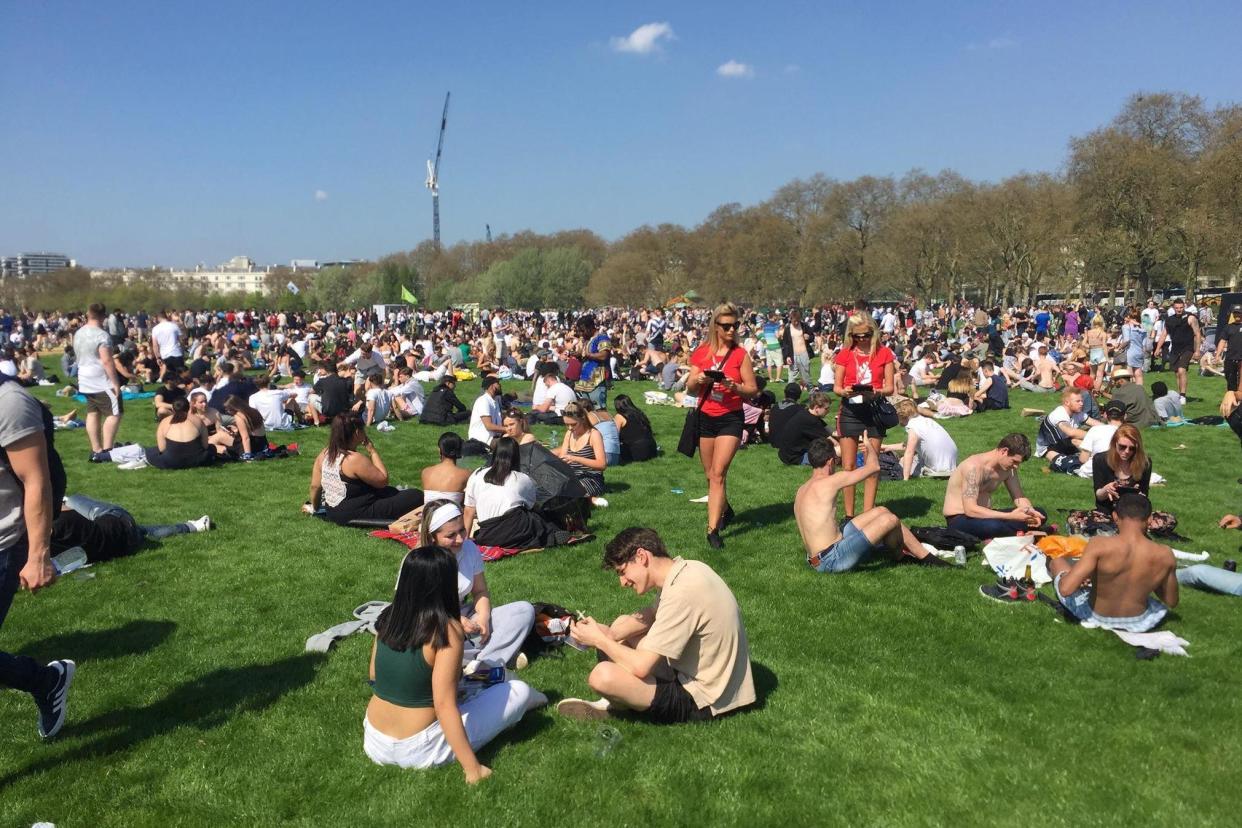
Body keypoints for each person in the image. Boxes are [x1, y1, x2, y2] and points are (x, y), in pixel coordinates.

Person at [363, 545, 543, 781]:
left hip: (374, 740)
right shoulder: (446, 629)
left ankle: (531, 698)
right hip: (418, 748)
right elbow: (444, 705)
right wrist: (473, 769)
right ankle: (535, 699)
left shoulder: (388, 617)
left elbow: (375, 676)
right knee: (517, 691)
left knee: (471, 682)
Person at [556, 527, 756, 723]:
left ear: (642, 556)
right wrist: (610, 633)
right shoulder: (687, 569)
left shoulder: (682, 593)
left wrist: (599, 640)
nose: (623, 582)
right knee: (620, 629)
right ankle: (619, 700)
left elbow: (641, 667)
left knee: (602, 676)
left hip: (706, 699)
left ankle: (616, 704)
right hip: (717, 681)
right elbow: (652, 614)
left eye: (623, 572)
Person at [0, 376, 74, 739]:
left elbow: (36, 481)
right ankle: (45, 680)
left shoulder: (10, 403)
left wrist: (39, 555)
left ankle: (44, 681)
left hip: (4, 542)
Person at [795, 437, 949, 572]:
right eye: (836, 460)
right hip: (831, 559)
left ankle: (903, 554)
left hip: (816, 557)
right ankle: (924, 559)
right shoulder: (831, 481)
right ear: (830, 462)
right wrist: (868, 446)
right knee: (890, 520)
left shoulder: (802, 489)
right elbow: (874, 467)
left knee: (881, 511)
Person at [418, 500, 536, 669]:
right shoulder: (418, 562)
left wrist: (483, 618)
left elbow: (480, 591)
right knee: (435, 639)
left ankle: (482, 663)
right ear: (432, 537)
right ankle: (490, 657)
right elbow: (417, 610)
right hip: (430, 621)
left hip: (462, 614)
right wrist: (454, 621)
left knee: (524, 610)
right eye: (450, 536)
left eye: (462, 530)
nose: (459, 539)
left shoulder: (469, 548)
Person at [685, 303, 758, 549]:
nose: (731, 330)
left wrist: (733, 386)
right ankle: (726, 509)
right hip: (706, 417)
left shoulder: (740, 355)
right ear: (715, 327)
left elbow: (752, 390)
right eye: (726, 326)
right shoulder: (703, 351)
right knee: (710, 475)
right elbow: (690, 388)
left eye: (735, 325)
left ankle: (712, 529)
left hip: (731, 418)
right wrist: (700, 380)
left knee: (718, 474)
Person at [1047, 494, 1176, 632]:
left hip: (1098, 617)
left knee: (1058, 562)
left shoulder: (1100, 544)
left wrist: (1080, 577)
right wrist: (1151, 578)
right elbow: (1171, 601)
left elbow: (1066, 589)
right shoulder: (1165, 554)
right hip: (1140, 621)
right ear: (1150, 519)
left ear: (1115, 516)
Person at [832, 312, 896, 518]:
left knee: (872, 463)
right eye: (856, 336)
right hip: (850, 410)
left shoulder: (884, 353)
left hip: (874, 409)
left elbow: (890, 387)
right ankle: (849, 516)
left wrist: (876, 391)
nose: (861, 340)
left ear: (873, 333)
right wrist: (845, 391)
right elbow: (837, 387)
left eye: (865, 335)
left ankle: (868, 513)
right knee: (848, 466)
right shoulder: (844, 353)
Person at [462, 437, 576, 549]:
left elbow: (468, 511)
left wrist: (465, 539)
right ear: (517, 456)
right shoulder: (521, 478)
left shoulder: (477, 474)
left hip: (488, 534)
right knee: (538, 520)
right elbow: (532, 506)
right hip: (516, 528)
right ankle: (555, 534)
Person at [308, 414, 423, 525]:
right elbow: (382, 481)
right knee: (415, 495)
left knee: (391, 492)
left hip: (332, 511)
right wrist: (372, 451)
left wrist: (316, 507)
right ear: (357, 433)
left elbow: (315, 486)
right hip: (354, 512)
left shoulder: (324, 454)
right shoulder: (354, 459)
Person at [52, 493, 212, 563]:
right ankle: (191, 526)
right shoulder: (57, 517)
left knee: (142, 532)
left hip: (118, 547)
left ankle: (191, 526)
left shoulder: (42, 549)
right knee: (73, 499)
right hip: (120, 524)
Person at [942, 433, 1046, 538]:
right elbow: (970, 510)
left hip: (987, 515)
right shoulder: (973, 467)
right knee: (994, 526)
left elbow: (1019, 497)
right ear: (1004, 451)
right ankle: (1021, 533)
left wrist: (1030, 512)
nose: (1016, 466)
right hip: (960, 518)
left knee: (1041, 513)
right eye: (1014, 461)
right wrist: (1010, 516)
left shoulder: (1009, 469)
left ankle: (1014, 533)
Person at [74, 303, 123, 462]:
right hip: (100, 379)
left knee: (93, 412)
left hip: (84, 378)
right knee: (115, 413)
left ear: (88, 314)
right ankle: (107, 450)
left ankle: (96, 449)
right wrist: (115, 382)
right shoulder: (102, 335)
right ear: (104, 316)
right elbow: (107, 360)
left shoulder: (79, 333)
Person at [883, 399, 958, 479]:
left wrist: (905, 478)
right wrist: (887, 447)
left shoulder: (913, 427)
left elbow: (909, 452)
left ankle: (927, 472)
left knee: (902, 461)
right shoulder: (926, 421)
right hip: (951, 465)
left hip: (939, 469)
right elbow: (907, 445)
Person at [1036, 388, 1100, 472]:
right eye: (1078, 401)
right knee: (1073, 465)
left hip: (1067, 443)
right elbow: (1070, 432)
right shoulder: (1059, 414)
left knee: (1096, 453)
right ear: (1067, 402)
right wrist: (1093, 435)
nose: (1081, 404)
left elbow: (1097, 424)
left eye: (1082, 401)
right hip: (1048, 448)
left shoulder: (1078, 413)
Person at [552, 401, 606, 498]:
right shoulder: (569, 434)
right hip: (572, 476)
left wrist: (575, 458)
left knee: (570, 491)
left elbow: (602, 464)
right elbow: (563, 458)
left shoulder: (593, 434)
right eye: (567, 425)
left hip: (591, 478)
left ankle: (587, 500)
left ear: (583, 419)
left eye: (573, 424)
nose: (569, 428)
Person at [147, 398, 217, 469]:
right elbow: (205, 445)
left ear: (173, 409)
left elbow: (162, 449)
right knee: (212, 448)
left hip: (171, 461)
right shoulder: (197, 420)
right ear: (188, 407)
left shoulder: (164, 422)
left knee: (151, 451)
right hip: (199, 459)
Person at [1154, 297, 1201, 403]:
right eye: (1177, 308)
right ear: (1173, 308)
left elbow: (1197, 334)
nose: (1179, 310)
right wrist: (1158, 348)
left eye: (1181, 307)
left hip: (1187, 348)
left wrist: (1197, 350)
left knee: (1181, 370)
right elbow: (1164, 334)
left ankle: (1183, 395)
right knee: (1176, 373)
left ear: (1184, 307)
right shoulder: (1169, 320)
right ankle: (1180, 394)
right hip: (1175, 348)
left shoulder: (1190, 318)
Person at [771, 391, 831, 466]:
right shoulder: (810, 421)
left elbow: (828, 430)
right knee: (837, 452)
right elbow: (830, 441)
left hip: (786, 455)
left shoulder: (806, 413)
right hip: (797, 457)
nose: (828, 411)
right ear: (816, 408)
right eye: (826, 409)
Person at [421, 433, 471, 505]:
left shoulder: (425, 472)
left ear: (440, 450)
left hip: (429, 514)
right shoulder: (467, 475)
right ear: (460, 450)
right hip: (452, 515)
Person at [464, 376, 504, 457]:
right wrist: (507, 429)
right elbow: (489, 426)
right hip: (484, 441)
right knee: (512, 442)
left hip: (493, 437)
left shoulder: (494, 401)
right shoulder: (483, 401)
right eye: (498, 383)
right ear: (491, 386)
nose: (500, 385)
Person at [613, 394, 657, 463]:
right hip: (652, 449)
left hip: (637, 451)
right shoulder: (639, 412)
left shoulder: (619, 417)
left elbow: (614, 436)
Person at [150, 309, 184, 380]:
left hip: (165, 354)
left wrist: (157, 357)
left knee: (170, 377)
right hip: (176, 352)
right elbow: (181, 340)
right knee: (181, 376)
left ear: (158, 318)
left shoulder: (155, 329)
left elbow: (155, 345)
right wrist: (182, 350)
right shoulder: (174, 326)